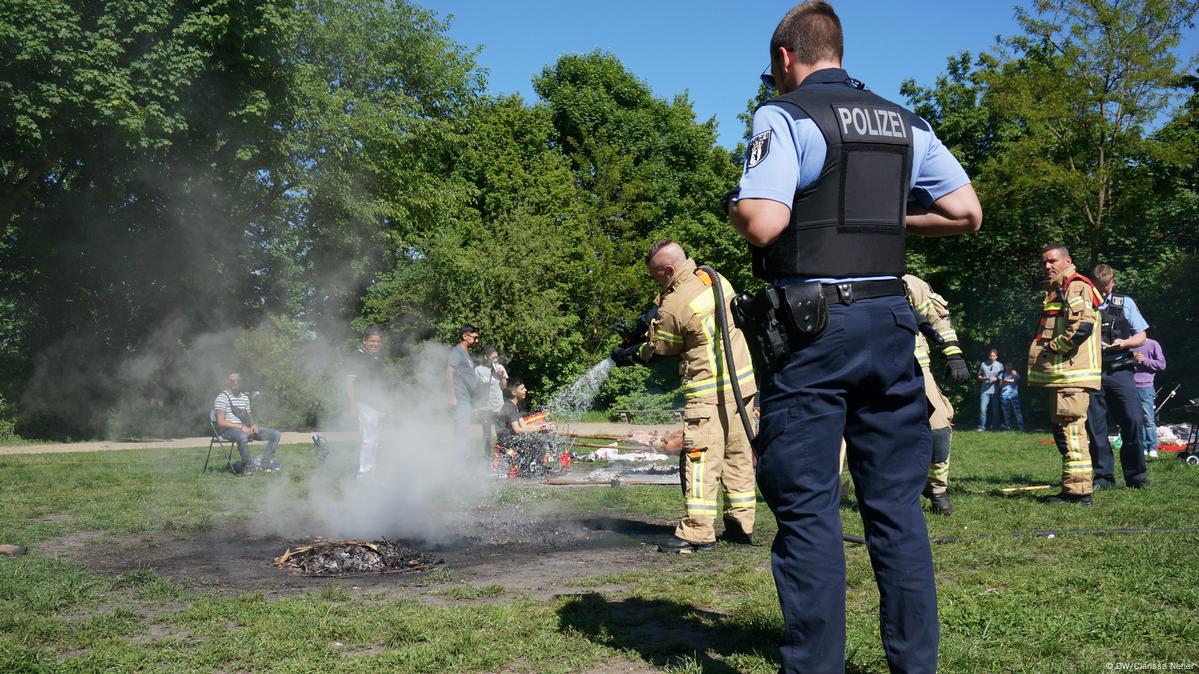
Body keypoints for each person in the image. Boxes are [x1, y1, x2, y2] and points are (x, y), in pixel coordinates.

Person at [726, 3, 982, 670]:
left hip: (814, 332)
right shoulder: (906, 122)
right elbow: (965, 214)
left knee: (808, 510)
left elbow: (760, 222)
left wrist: (735, 203)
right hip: (889, 321)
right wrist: (885, 223)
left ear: (785, 58)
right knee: (896, 507)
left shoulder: (783, 115)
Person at [611, 240, 758, 553]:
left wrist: (630, 353)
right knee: (738, 457)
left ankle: (696, 533)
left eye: (657, 277)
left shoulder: (678, 303)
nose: (657, 284)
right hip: (741, 387)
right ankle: (741, 524)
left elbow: (660, 347)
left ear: (668, 270)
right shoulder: (712, 279)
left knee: (700, 459)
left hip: (708, 393)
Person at [1027, 245, 1103, 505]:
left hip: (1072, 375)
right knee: (1065, 431)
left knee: (1071, 431)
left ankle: (1079, 493)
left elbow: (1082, 326)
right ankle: (1074, 489)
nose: (1047, 266)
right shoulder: (1059, 288)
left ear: (1068, 260)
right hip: (1063, 377)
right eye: (1044, 262)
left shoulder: (1075, 284)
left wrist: (1053, 348)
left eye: (1053, 261)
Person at [905, 274, 969, 517]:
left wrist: (953, 354)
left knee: (939, 426)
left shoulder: (909, 283)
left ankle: (937, 490)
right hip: (866, 370)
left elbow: (938, 319)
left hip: (916, 368)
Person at [1086, 264, 1150, 490]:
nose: (1103, 292)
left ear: (1112, 282)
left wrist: (1124, 343)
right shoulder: (1082, 304)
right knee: (1096, 428)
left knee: (1134, 420)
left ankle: (1137, 477)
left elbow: (1142, 335)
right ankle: (1104, 478)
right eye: (1099, 288)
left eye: (1107, 287)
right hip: (1091, 372)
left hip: (1121, 370)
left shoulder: (1126, 303)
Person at [214, 372, 282, 474]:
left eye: (238, 380)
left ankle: (265, 465)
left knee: (275, 434)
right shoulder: (222, 398)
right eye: (233, 381)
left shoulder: (244, 397)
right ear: (227, 382)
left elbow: (249, 417)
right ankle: (247, 465)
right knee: (242, 436)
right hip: (227, 430)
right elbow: (221, 422)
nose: (236, 382)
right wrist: (241, 427)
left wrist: (254, 425)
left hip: (244, 429)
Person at [345, 327, 389, 476]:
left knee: (375, 441)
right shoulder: (357, 356)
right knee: (368, 440)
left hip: (379, 405)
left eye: (378, 341)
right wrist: (352, 403)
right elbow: (350, 380)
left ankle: (372, 473)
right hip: (365, 403)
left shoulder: (377, 358)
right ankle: (363, 476)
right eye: (372, 341)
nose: (375, 344)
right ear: (364, 341)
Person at [446, 324, 480, 454]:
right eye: (475, 337)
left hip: (466, 399)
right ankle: (458, 469)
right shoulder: (457, 352)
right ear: (465, 336)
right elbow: (449, 373)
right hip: (461, 399)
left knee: (464, 433)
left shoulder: (466, 353)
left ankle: (460, 466)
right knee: (461, 434)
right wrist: (453, 397)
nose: (477, 341)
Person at [1132, 338, 1167, 459]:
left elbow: (1162, 365)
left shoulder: (1152, 344)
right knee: (1137, 420)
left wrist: (1144, 360)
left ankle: (1152, 447)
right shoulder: (1127, 344)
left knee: (1148, 419)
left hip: (1145, 387)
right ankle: (1142, 447)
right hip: (1129, 387)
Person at [474, 345, 508, 459]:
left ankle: (503, 457)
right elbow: (475, 389)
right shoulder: (478, 370)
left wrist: (503, 375)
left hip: (498, 405)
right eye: (493, 358)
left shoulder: (500, 368)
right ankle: (487, 457)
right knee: (487, 435)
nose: (495, 360)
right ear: (486, 357)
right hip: (485, 407)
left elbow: (504, 387)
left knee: (501, 432)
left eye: (496, 357)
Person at [976, 348, 1003, 431]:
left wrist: (997, 379)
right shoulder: (983, 364)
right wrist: (983, 378)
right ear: (988, 356)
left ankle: (994, 427)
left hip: (995, 390)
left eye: (994, 356)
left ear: (996, 357)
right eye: (991, 356)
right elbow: (979, 376)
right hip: (985, 390)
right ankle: (981, 427)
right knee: (983, 409)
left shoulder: (1000, 365)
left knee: (995, 410)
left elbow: (1002, 378)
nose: (992, 357)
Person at [999, 363, 1025, 431]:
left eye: (1010, 366)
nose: (1009, 367)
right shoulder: (1002, 374)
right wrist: (1004, 382)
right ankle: (1008, 427)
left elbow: (1017, 379)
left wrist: (1012, 376)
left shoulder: (1015, 372)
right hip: (1004, 395)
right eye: (1007, 366)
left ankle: (1021, 427)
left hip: (1014, 395)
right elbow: (1000, 385)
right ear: (1005, 366)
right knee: (1006, 413)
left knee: (1017, 412)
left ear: (1012, 366)